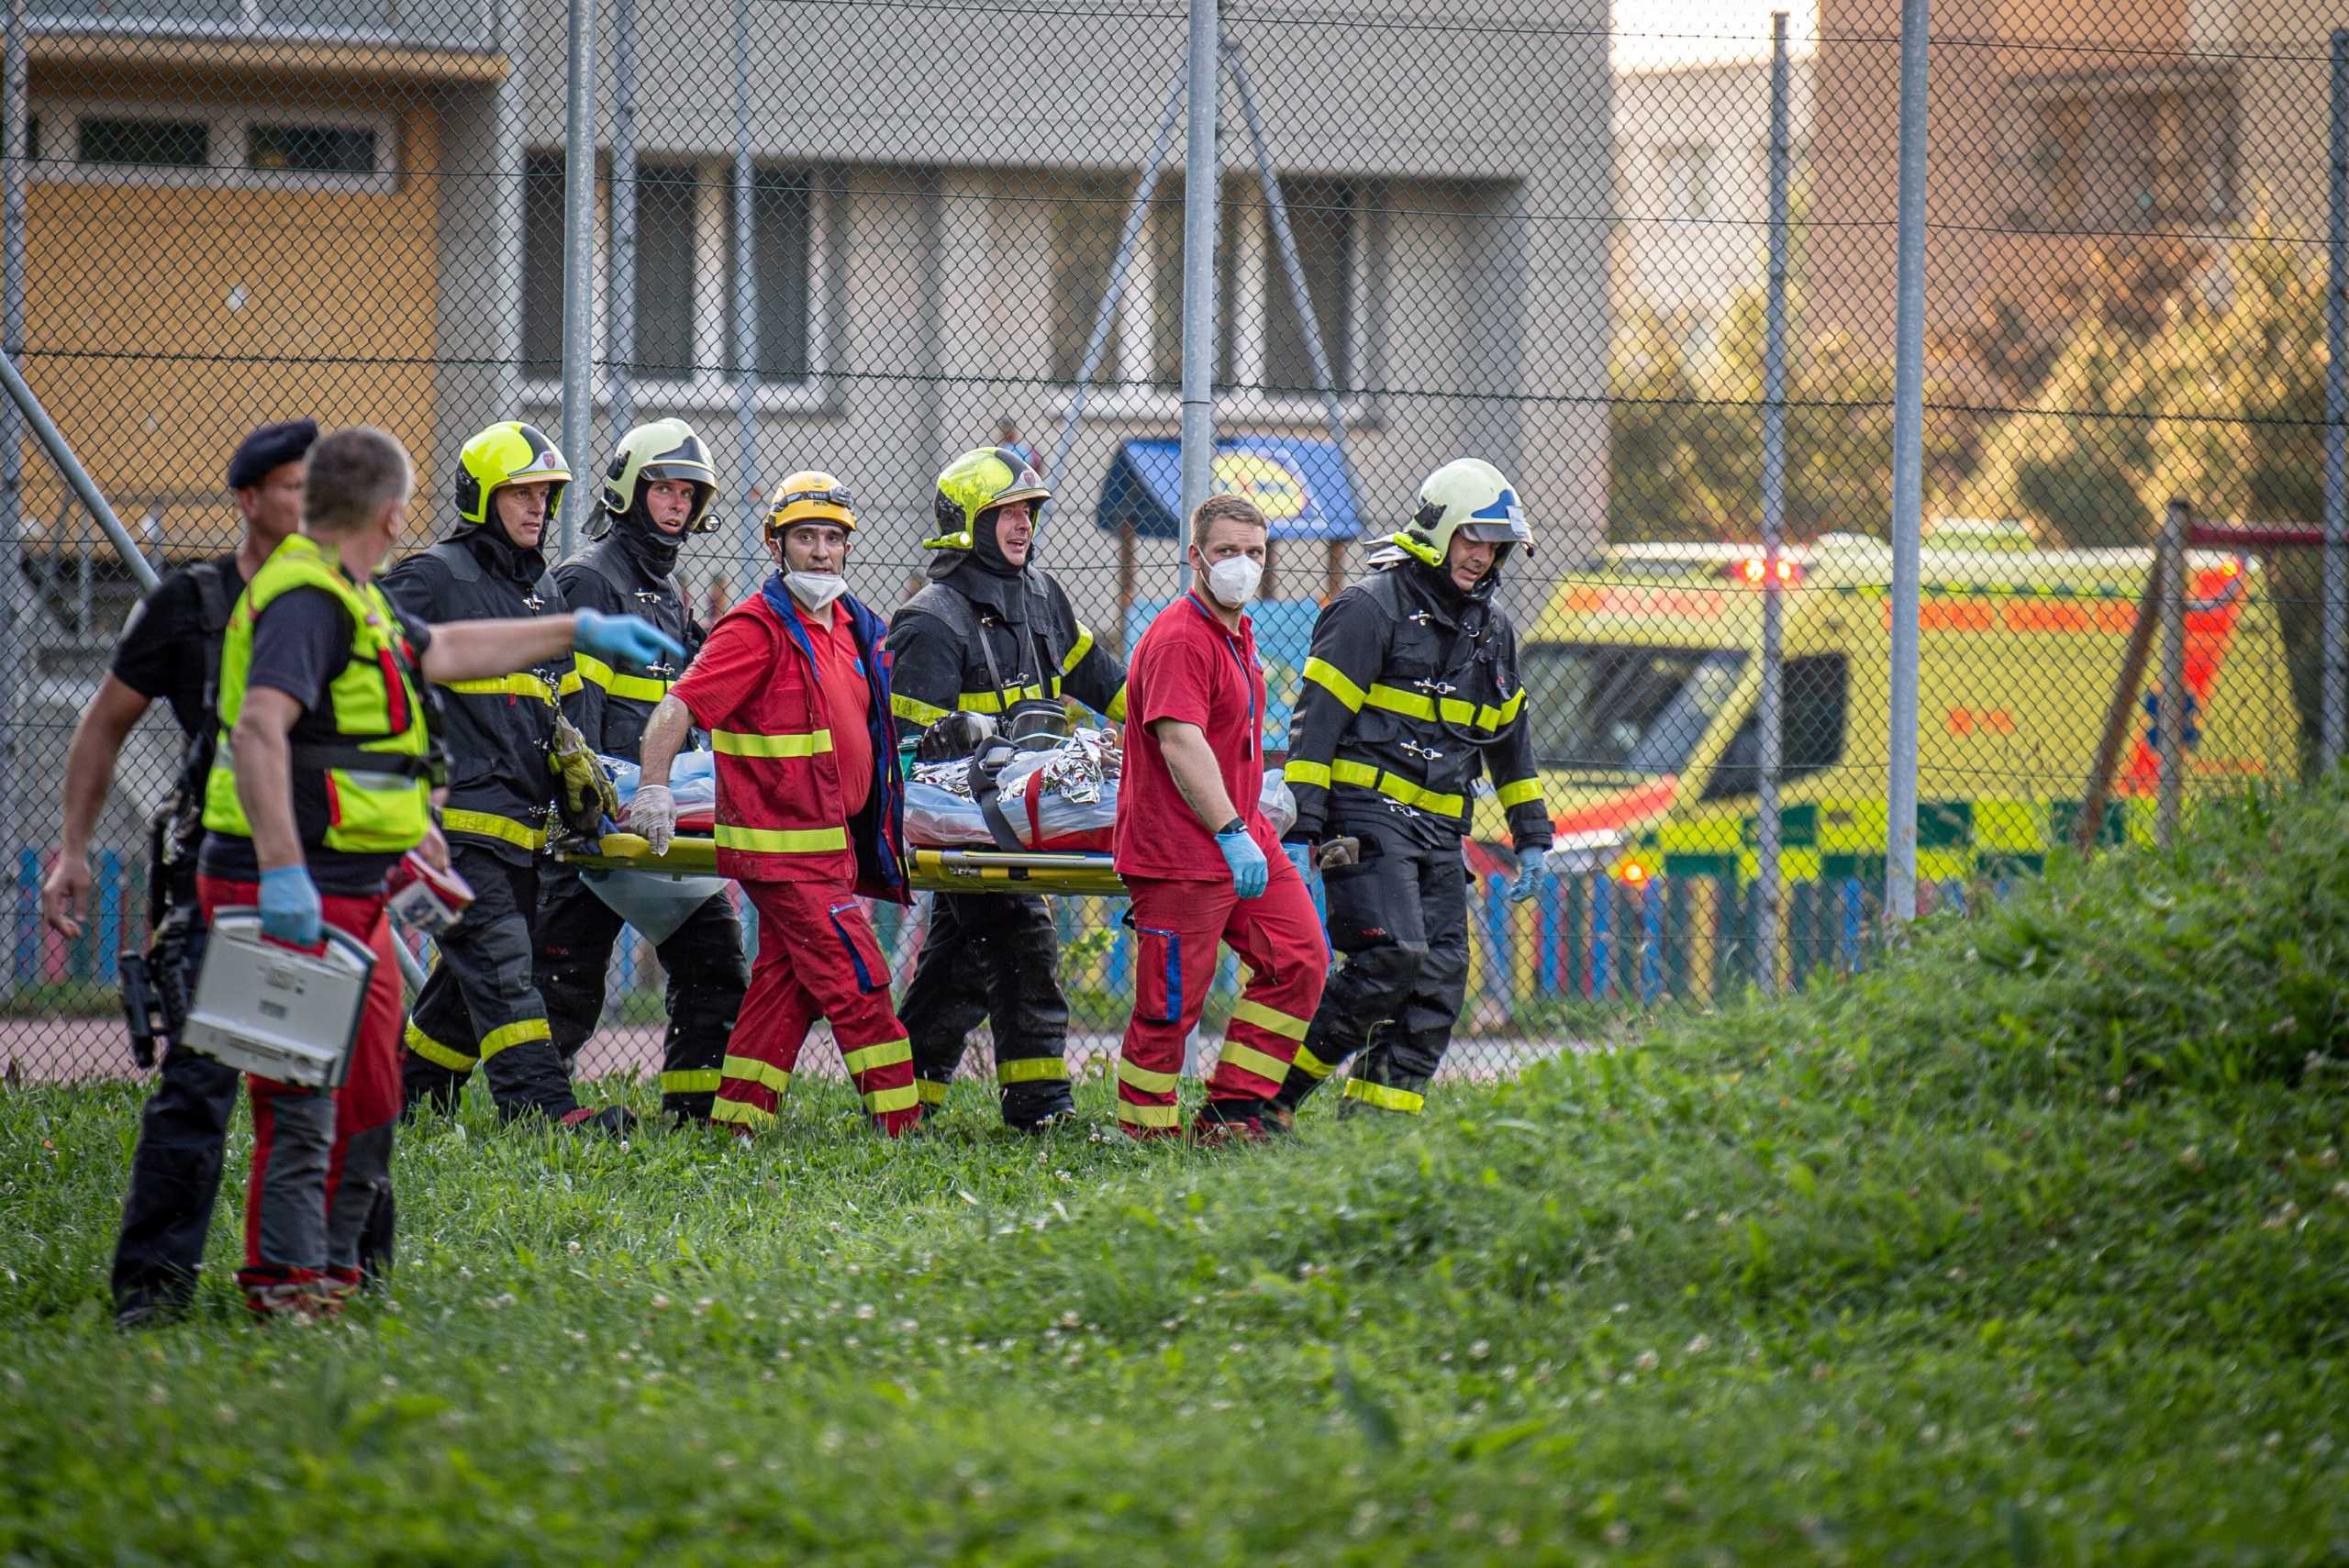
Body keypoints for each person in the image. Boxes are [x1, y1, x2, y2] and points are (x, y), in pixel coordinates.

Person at [195, 424, 682, 1316]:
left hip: (359, 880)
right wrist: (281, 873)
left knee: (376, 1090)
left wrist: (576, 629)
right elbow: (261, 728)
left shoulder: (361, 598)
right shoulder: (308, 598)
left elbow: (449, 652)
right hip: (299, 879)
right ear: (389, 513)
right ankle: (282, 1285)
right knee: (301, 1097)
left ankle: (338, 1272)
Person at [41, 419, 316, 1326]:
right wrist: (74, 848)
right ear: (247, 499)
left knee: (325, 1091)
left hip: (324, 886)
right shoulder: (192, 602)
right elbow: (103, 723)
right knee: (199, 1086)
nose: (306, 500)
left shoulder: (336, 599)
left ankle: (317, 1277)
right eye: (288, 486)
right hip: (222, 881)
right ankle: (151, 1293)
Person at [629, 472, 920, 1138]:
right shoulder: (754, 629)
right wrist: (654, 784)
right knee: (860, 981)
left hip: (834, 851)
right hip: (787, 855)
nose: (821, 551)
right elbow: (678, 706)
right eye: (806, 537)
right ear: (776, 544)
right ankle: (903, 1126)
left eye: (832, 538)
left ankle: (736, 1124)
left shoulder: (854, 623)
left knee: (782, 993)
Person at [1274, 459, 1552, 1120]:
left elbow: (1511, 744)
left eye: (1494, 545)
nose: (1482, 557)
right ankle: (1266, 1101)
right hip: (1367, 817)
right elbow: (1316, 723)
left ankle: (1375, 1131)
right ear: (1439, 529)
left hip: (1438, 833)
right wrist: (1302, 825)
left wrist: (1533, 836)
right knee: (1391, 955)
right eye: (1471, 539)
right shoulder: (1369, 608)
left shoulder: (1494, 630)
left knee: (1437, 980)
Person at [382, 422, 629, 1131]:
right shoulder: (432, 577)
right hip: (452, 829)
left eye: (546, 496)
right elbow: (372, 669)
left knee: (467, 989)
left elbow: (547, 704)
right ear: (481, 496)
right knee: (503, 965)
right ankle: (543, 1111)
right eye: (520, 493)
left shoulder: (543, 590)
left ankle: (412, 1099)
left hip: (518, 830)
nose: (536, 509)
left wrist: (570, 759)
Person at [885, 446, 1127, 1129]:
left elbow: (1104, 681)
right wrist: (957, 737)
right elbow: (907, 766)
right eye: (1006, 513)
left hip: (1023, 822)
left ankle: (901, 1104)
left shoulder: (1045, 598)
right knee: (1025, 947)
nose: (1023, 525)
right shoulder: (931, 620)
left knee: (956, 969)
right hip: (967, 830)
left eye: (1028, 512)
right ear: (966, 521)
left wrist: (1170, 720)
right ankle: (1040, 1110)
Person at [535, 418, 748, 1124]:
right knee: (562, 980)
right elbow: (573, 717)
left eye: (688, 493)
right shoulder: (590, 577)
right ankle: (506, 1106)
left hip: (651, 821)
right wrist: (588, 813)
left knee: (715, 960)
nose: (677, 505)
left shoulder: (669, 589)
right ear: (630, 489)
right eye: (664, 489)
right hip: (592, 822)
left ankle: (692, 1114)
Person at [1109, 494, 1326, 1142]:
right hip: (1182, 850)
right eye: (1227, 551)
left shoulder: (1236, 631)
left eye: (1254, 552)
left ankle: (1233, 1112)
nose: (1242, 564)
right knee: (1169, 1006)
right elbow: (1180, 740)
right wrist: (1232, 830)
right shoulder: (1180, 635)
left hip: (1241, 836)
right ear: (1195, 556)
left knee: (1301, 961)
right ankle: (1146, 1136)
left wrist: (1252, 810)